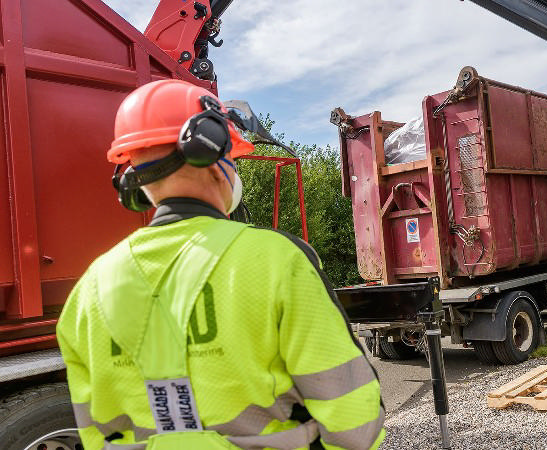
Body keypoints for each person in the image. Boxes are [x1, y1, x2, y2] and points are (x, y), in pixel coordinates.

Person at [57, 79, 384, 449]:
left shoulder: (88, 290)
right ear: (214, 155)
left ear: (133, 179)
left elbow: (95, 433)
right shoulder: (278, 262)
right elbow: (354, 423)